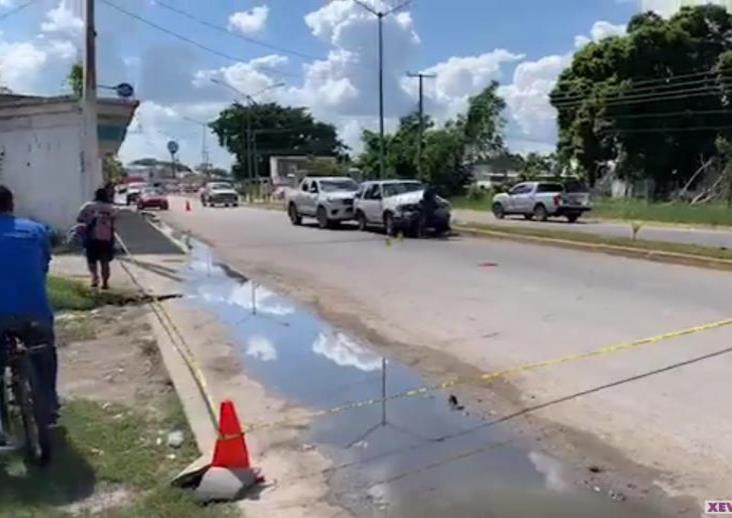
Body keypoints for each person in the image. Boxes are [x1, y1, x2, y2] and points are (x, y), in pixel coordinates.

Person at [0, 185, 59, 444]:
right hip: (35, 310)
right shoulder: (35, 229)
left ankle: (3, 425)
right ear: (12, 204)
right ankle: (50, 402)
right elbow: (44, 264)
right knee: (44, 353)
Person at [77, 188, 116, 289]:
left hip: (92, 237)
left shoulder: (88, 206)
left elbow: (79, 218)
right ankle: (105, 282)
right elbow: (114, 220)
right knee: (105, 261)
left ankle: (94, 278)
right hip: (107, 238)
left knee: (91, 260)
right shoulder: (111, 208)